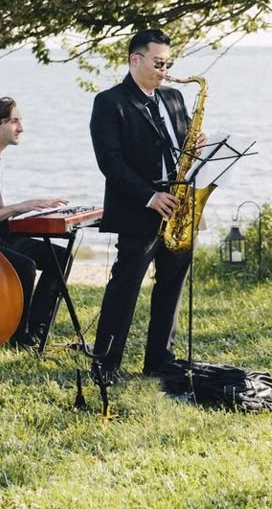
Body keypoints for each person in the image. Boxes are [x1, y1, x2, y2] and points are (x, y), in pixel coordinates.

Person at [90, 29, 206, 385]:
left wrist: (195, 144)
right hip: (140, 209)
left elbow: (180, 147)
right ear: (134, 60)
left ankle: (159, 359)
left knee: (171, 285)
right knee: (125, 287)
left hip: (178, 206)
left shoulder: (173, 98)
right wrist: (150, 196)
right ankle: (105, 365)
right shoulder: (110, 102)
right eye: (158, 63)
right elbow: (110, 162)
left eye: (168, 64)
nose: (165, 71)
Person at [0, 97, 69, 347]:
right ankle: (18, 335)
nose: (21, 127)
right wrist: (22, 206)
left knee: (60, 257)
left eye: (19, 121)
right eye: (14, 121)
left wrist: (33, 208)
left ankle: (35, 328)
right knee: (26, 265)